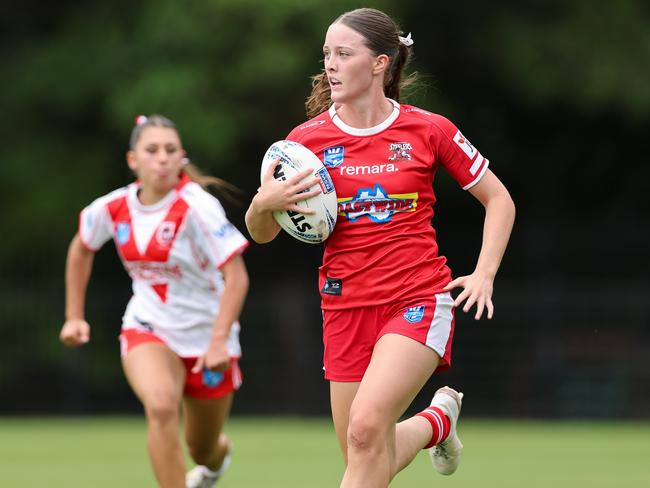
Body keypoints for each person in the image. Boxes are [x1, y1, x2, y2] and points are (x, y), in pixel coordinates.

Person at [245, 7, 515, 488]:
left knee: (366, 431)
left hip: (416, 299)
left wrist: (484, 272)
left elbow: (499, 199)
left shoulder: (429, 130)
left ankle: (435, 422)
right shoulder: (304, 144)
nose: (330, 64)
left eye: (344, 53)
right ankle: (437, 423)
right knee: (367, 456)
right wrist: (263, 204)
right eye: (327, 53)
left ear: (379, 63)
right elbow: (262, 233)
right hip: (344, 306)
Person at [59, 114, 249, 488]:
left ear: (181, 157)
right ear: (133, 160)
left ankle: (214, 462)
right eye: (152, 150)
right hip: (148, 327)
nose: (162, 158)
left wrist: (217, 341)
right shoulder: (113, 208)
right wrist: (73, 316)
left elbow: (237, 276)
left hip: (209, 340)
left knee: (202, 447)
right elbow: (82, 247)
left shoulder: (198, 207)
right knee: (161, 407)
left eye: (170, 150)